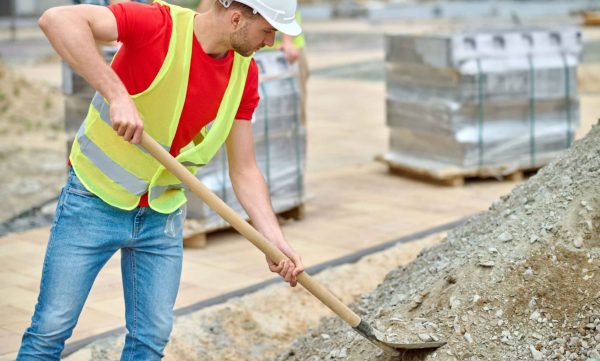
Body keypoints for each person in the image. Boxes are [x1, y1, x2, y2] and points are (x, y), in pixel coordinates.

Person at [17, 1, 304, 360]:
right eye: (268, 30)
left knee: (151, 340)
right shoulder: (157, 24)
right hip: (93, 202)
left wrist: (274, 240)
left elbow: (244, 169)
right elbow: (57, 19)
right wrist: (116, 93)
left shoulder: (245, 73)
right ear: (236, 18)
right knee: (50, 330)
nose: (272, 42)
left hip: (162, 215)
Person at [197, 0, 309, 126]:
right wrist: (199, 37)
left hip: (280, 51)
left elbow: (281, 9)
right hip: (243, 45)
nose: (269, 40)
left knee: (283, 115)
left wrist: (287, 40)